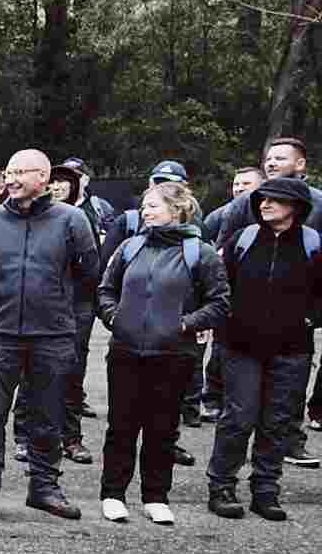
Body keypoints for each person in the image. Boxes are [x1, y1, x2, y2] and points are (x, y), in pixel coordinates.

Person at [0, 150, 98, 521]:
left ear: (43, 178)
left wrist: (63, 314)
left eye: (21, 172)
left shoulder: (72, 220)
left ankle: (44, 487)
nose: (11, 178)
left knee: (48, 415)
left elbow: (89, 274)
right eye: (8, 171)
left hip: (52, 335)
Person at [95, 181, 229, 524]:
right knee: (121, 426)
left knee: (163, 427)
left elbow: (219, 303)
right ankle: (113, 493)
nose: (146, 211)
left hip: (173, 355)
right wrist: (114, 317)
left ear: (178, 209)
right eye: (145, 206)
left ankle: (156, 496)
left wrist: (182, 324)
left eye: (153, 205)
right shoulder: (130, 246)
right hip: (125, 350)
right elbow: (105, 290)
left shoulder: (201, 252)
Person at [205, 176, 322, 521]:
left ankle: (266, 490)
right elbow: (218, 282)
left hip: (292, 349)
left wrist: (309, 321)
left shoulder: (314, 243)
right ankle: (222, 486)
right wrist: (222, 320)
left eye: (274, 199)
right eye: (262, 199)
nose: (264, 204)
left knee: (277, 422)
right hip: (240, 345)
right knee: (238, 418)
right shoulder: (243, 238)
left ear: (296, 207)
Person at [45, 161, 107, 463]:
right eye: (52, 181)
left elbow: (92, 266)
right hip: (38, 308)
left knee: (72, 372)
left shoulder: (82, 218)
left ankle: (71, 438)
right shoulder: (32, 217)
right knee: (32, 377)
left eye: (63, 182)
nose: (57, 187)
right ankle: (26, 437)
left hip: (76, 307)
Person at [197, 165, 265, 426]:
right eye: (236, 184)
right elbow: (206, 238)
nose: (238, 189)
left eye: (245, 184)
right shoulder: (225, 212)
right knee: (221, 347)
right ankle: (212, 398)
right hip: (229, 288)